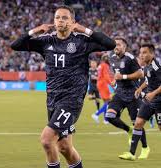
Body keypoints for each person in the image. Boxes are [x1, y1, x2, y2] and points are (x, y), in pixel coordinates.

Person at [11, 5, 115, 168]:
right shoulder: (46, 41)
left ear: (72, 21)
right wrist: (36, 30)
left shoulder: (82, 42)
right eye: (57, 17)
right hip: (52, 99)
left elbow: (110, 44)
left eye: (65, 18)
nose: (60, 21)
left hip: (72, 100)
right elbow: (15, 45)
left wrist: (84, 30)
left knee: (46, 140)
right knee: (65, 147)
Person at [105, 37, 148, 155]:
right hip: (119, 93)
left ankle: (145, 148)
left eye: (119, 45)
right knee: (109, 116)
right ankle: (128, 130)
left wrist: (123, 77)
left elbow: (140, 73)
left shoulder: (130, 58)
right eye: (114, 44)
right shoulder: (112, 57)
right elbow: (117, 72)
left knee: (137, 123)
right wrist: (115, 80)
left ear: (124, 47)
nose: (116, 47)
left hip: (132, 94)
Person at [119, 43, 161, 160]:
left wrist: (153, 93)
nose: (141, 55)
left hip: (159, 101)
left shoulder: (157, 66)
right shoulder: (147, 65)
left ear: (152, 54)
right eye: (140, 53)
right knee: (138, 123)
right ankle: (131, 153)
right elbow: (148, 81)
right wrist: (140, 88)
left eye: (144, 53)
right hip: (149, 101)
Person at [92, 55, 112, 124]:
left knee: (106, 102)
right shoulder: (105, 65)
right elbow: (106, 75)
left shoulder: (100, 65)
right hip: (103, 84)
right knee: (109, 102)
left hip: (99, 83)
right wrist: (111, 83)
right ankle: (96, 114)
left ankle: (105, 119)